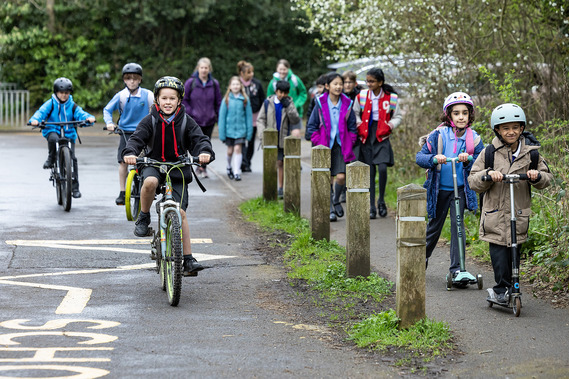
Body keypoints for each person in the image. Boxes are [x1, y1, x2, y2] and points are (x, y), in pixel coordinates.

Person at [122, 76, 214, 276]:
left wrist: (204, 152)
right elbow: (137, 139)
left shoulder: (187, 122)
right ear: (157, 100)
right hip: (153, 164)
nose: (168, 102)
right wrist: (130, 153)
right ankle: (144, 216)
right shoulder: (150, 120)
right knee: (150, 182)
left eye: (172, 98)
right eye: (164, 98)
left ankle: (188, 259)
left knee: (180, 213)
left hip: (179, 167)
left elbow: (200, 139)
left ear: (179, 100)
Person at [468, 103, 552, 304]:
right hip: (495, 215)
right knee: (499, 257)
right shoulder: (489, 153)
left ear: (522, 128)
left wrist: (536, 175)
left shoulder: (532, 153)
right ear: (497, 130)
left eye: (515, 127)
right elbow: (473, 180)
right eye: (505, 128)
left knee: (515, 253)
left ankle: (512, 286)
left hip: (518, 214)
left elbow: (547, 178)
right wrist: (488, 175)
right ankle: (500, 288)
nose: (511, 132)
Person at [415, 92, 485, 275]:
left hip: (460, 190)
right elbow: (420, 157)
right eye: (456, 113)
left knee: (458, 226)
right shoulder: (438, 135)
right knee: (434, 226)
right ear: (449, 115)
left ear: (470, 115)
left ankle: (457, 269)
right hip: (439, 190)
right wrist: (434, 159)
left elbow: (483, 159)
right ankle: (420, 258)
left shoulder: (474, 138)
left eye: (465, 113)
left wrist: (469, 159)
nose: (461, 117)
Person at [29, 77, 96, 199]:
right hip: (53, 129)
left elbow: (81, 114)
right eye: (61, 93)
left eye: (66, 93)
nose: (64, 95)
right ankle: (51, 158)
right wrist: (35, 120)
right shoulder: (51, 103)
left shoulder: (72, 105)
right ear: (56, 92)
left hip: (69, 133)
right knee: (53, 139)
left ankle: (75, 187)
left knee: (73, 159)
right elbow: (40, 112)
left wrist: (88, 118)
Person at [306, 73, 357, 221]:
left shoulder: (347, 103)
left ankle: (335, 200)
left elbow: (352, 128)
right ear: (327, 86)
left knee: (341, 176)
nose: (339, 87)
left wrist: (350, 140)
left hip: (341, 146)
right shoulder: (320, 103)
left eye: (340, 84)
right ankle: (330, 209)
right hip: (324, 145)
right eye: (335, 84)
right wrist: (318, 142)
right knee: (327, 177)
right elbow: (311, 127)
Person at [353, 68, 402, 219]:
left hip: (382, 135)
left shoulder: (391, 98)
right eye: (367, 81)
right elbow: (354, 113)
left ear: (380, 82)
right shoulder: (361, 96)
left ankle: (381, 200)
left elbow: (397, 116)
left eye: (372, 81)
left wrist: (390, 125)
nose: (369, 84)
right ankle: (372, 206)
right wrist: (359, 124)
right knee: (370, 171)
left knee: (382, 168)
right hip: (366, 136)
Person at [103, 63, 154, 205]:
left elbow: (156, 109)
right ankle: (122, 191)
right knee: (123, 161)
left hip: (144, 132)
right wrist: (109, 123)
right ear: (124, 80)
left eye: (135, 78)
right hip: (125, 132)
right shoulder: (121, 96)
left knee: (147, 159)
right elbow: (107, 110)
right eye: (128, 78)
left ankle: (145, 184)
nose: (132, 81)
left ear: (140, 80)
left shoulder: (148, 95)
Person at [257, 80, 301, 198]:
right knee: (271, 163)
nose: (282, 95)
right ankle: (270, 186)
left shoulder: (289, 103)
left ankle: (281, 187)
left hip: (283, 138)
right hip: (270, 138)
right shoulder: (268, 103)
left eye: (285, 93)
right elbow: (261, 119)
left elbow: (295, 120)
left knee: (280, 162)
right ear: (276, 91)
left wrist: (289, 107)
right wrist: (262, 135)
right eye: (280, 92)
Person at [181, 57, 222, 179]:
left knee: (205, 143)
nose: (204, 70)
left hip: (209, 120)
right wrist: (190, 113)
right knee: (194, 143)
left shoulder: (214, 84)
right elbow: (184, 100)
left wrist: (217, 116)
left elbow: (218, 101)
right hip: (194, 120)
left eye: (206, 68)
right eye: (202, 67)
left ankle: (202, 167)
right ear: (197, 68)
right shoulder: (190, 83)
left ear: (209, 69)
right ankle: (197, 166)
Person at [218, 76, 253, 182]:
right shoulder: (226, 100)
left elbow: (249, 117)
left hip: (241, 131)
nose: (235, 86)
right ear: (230, 86)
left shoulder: (245, 100)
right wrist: (222, 133)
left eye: (237, 84)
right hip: (229, 131)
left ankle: (237, 171)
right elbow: (222, 117)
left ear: (240, 86)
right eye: (233, 84)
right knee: (230, 151)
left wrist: (249, 132)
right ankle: (229, 167)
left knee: (238, 149)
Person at [237, 60, 265, 173]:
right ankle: (242, 162)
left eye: (252, 72)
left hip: (254, 118)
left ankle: (248, 162)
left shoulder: (257, 84)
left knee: (251, 141)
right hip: (241, 118)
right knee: (242, 141)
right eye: (249, 72)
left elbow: (262, 99)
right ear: (242, 73)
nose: (251, 74)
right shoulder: (237, 84)